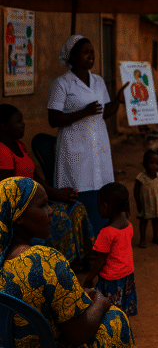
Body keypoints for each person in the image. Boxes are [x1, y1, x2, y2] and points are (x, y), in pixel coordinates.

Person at [0, 176, 135, 347]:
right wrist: (101, 303)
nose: (51, 211)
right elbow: (78, 333)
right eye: (42, 206)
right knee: (116, 320)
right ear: (18, 216)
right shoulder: (45, 261)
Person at [47, 35, 129, 237]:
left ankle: (98, 239)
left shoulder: (98, 81)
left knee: (101, 188)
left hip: (98, 144)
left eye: (92, 52)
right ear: (73, 56)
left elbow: (103, 112)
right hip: (74, 147)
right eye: (85, 52)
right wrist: (83, 112)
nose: (90, 55)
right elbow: (53, 118)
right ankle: (78, 240)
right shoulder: (62, 84)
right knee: (78, 189)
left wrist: (118, 101)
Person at [0, 103, 95, 270]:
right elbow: (8, 193)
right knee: (57, 215)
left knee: (75, 207)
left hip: (33, 201)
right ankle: (59, 264)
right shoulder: (3, 152)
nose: (23, 124)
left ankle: (79, 256)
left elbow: (36, 178)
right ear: (4, 126)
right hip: (20, 208)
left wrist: (57, 193)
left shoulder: (19, 146)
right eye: (18, 122)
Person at [84, 182, 137, 316]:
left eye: (99, 205)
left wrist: (89, 278)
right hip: (127, 275)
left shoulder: (107, 232)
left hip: (111, 279)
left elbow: (100, 260)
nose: (98, 208)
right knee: (122, 309)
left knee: (108, 312)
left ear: (105, 206)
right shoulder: (127, 223)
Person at [134, 149, 158, 247]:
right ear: (144, 164)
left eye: (157, 163)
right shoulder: (141, 177)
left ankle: (156, 237)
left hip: (156, 204)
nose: (154, 165)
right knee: (144, 220)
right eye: (151, 162)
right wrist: (138, 202)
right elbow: (136, 190)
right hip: (145, 203)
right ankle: (142, 239)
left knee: (155, 221)